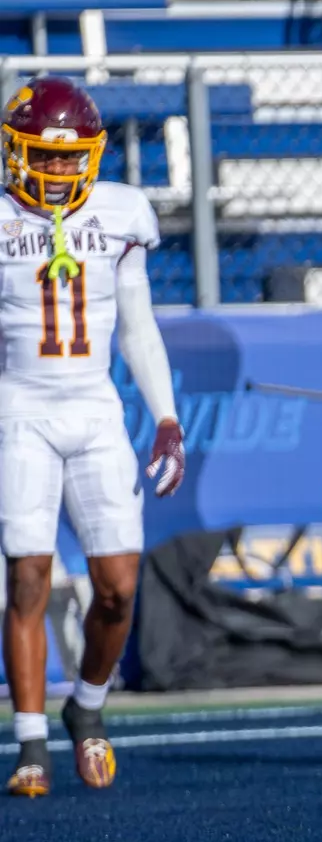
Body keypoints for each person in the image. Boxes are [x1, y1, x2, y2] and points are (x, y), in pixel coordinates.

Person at [1, 77, 185, 796]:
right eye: (43, 156)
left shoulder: (120, 212)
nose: (56, 169)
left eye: (69, 156)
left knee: (117, 589)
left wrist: (165, 417)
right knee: (27, 578)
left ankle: (87, 704)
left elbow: (137, 326)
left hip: (96, 412)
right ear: (16, 153)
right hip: (19, 412)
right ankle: (30, 742)